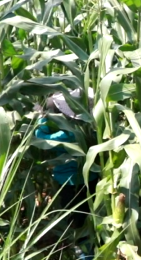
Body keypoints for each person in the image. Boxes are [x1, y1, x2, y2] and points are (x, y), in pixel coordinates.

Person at [35, 88, 100, 240]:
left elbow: (40, 137)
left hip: (68, 182)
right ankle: (89, 243)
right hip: (91, 178)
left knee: (74, 216)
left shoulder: (67, 135)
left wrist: (41, 118)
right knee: (89, 212)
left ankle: (81, 245)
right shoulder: (91, 129)